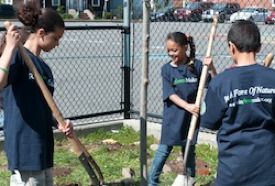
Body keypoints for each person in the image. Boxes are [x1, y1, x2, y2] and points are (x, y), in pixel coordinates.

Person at [0, 2, 74, 186]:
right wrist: (10, 47)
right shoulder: (18, 56)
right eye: (55, 38)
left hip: (43, 147)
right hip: (25, 148)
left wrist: (59, 123)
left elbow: (41, 106)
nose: (57, 44)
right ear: (41, 33)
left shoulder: (44, 68)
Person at [200, 20, 275, 185]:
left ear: (231, 47)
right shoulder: (272, 78)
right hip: (269, 170)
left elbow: (209, 121)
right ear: (259, 47)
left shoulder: (220, 83)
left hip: (233, 171)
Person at [148, 32, 216, 186]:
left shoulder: (197, 66)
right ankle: (152, 182)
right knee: (164, 149)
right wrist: (188, 106)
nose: (172, 54)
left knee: (189, 152)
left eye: (175, 50)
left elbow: (214, 84)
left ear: (185, 48)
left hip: (191, 118)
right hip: (173, 117)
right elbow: (170, 94)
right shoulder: (167, 70)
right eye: (169, 51)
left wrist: (211, 67)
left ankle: (188, 180)